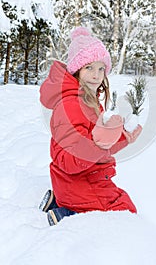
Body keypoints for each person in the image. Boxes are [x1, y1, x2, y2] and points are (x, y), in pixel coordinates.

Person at [39, 26, 142, 226]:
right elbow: (70, 160)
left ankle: (59, 202)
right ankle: (68, 216)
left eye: (101, 68)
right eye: (89, 68)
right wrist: (101, 140)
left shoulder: (89, 100)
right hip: (77, 182)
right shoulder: (70, 104)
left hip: (86, 178)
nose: (96, 75)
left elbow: (98, 148)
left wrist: (123, 136)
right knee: (125, 213)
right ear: (76, 70)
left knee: (123, 205)